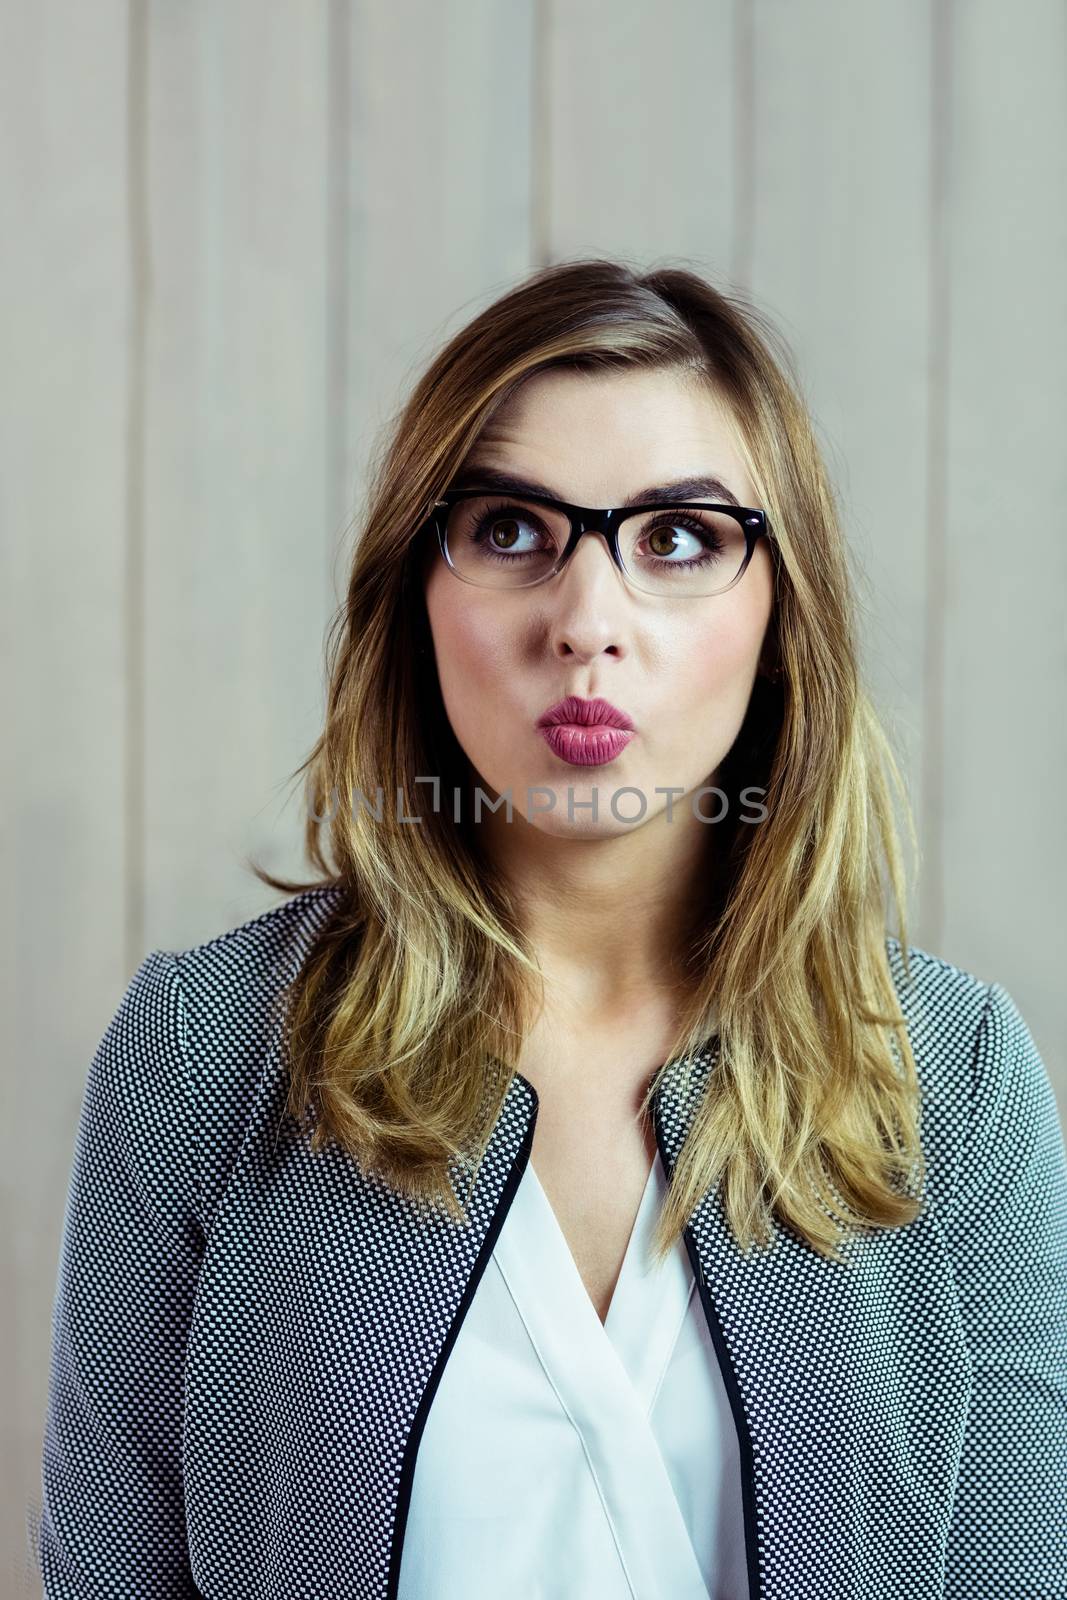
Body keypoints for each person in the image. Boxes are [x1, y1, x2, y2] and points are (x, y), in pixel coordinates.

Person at [36, 260, 1067, 1600]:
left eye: (680, 540)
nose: (586, 626)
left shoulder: (954, 1078)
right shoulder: (203, 1054)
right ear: (417, 589)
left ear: (781, 612)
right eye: (515, 531)